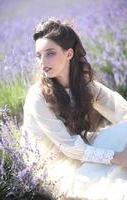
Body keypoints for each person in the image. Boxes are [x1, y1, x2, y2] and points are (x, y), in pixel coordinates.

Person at [21, 18, 127, 200]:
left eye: (50, 53)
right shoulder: (37, 96)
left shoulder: (84, 85)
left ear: (69, 54)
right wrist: (118, 157)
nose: (42, 61)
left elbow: (119, 108)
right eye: (39, 55)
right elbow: (68, 147)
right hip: (54, 161)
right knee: (111, 184)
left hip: (82, 145)